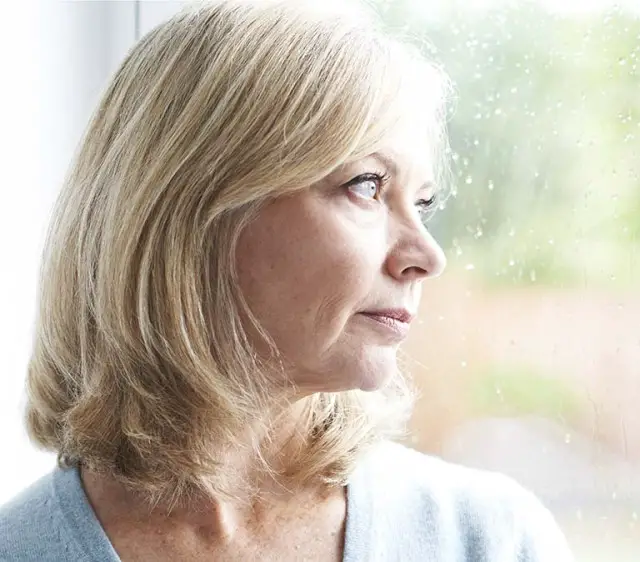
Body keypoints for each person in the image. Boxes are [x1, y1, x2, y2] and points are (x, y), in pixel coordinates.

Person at [0, 1, 573, 560]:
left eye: (422, 202)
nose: (427, 254)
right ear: (193, 209)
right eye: (368, 186)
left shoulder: (490, 540)